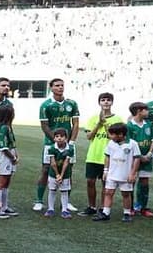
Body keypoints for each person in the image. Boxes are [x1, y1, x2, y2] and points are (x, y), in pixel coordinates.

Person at [33, 78, 79, 212]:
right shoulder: (46, 105)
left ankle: (66, 202)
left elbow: (75, 124)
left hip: (68, 144)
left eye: (62, 85)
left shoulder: (72, 103)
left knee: (68, 171)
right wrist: (56, 141)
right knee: (46, 170)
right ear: (51, 88)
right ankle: (39, 201)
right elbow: (44, 126)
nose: (60, 88)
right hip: (50, 143)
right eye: (57, 86)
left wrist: (71, 142)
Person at [82, 92, 122, 216]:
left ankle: (104, 208)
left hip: (109, 157)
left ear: (112, 102)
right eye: (103, 100)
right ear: (99, 102)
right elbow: (89, 136)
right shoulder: (93, 118)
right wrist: (98, 123)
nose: (105, 102)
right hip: (93, 155)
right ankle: (92, 207)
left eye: (108, 100)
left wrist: (105, 124)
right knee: (90, 182)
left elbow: (117, 138)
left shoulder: (117, 119)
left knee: (106, 184)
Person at [96, 123, 140, 222]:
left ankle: (127, 213)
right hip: (112, 174)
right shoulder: (111, 143)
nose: (110, 136)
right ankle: (106, 213)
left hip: (125, 175)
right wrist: (105, 170)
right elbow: (107, 156)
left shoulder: (132, 144)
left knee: (126, 194)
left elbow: (136, 159)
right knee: (108, 192)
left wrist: (133, 173)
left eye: (112, 134)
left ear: (120, 134)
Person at [125, 102, 153, 217]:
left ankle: (143, 207)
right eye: (146, 110)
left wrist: (149, 153)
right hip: (133, 160)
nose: (148, 112)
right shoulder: (129, 126)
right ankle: (131, 207)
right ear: (139, 111)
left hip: (147, 159)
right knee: (131, 182)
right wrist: (139, 156)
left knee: (144, 182)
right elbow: (129, 144)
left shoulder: (148, 124)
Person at [0, 103, 19, 218]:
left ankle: (4, 207)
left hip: (9, 155)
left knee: (6, 182)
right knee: (1, 183)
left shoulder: (7, 126)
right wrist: (12, 158)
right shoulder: (3, 128)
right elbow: (3, 147)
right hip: (3, 156)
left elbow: (11, 144)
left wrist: (16, 154)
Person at [43, 129, 76, 218]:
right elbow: (53, 163)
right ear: (54, 138)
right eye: (57, 136)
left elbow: (66, 163)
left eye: (61, 136)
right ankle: (50, 209)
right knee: (52, 190)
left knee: (64, 191)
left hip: (65, 174)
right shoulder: (52, 148)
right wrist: (57, 175)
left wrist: (61, 175)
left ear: (66, 138)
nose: (59, 138)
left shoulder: (70, 148)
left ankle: (64, 210)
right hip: (53, 174)